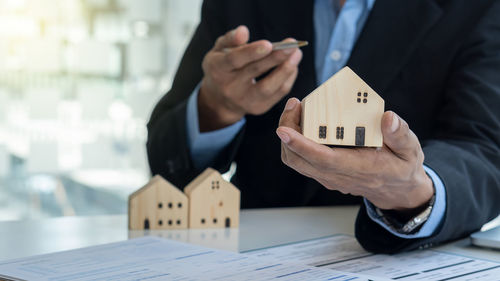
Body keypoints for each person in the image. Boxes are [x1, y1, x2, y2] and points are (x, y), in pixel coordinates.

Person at [147, 0, 500, 253]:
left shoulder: (478, 9)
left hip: (385, 257)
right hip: (244, 250)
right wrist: (216, 107)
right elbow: (164, 161)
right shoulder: (240, 6)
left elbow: (484, 148)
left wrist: (412, 190)